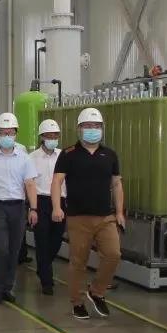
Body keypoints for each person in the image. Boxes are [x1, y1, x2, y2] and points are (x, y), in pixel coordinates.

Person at [51, 108, 125, 321]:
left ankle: (97, 292)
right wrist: (57, 207)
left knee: (113, 254)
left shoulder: (109, 155)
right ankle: (77, 302)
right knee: (78, 262)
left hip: (105, 217)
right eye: (88, 126)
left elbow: (117, 184)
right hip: (78, 217)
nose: (93, 129)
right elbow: (57, 181)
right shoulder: (68, 154)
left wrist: (120, 212)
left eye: (97, 126)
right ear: (79, 129)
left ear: (102, 129)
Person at [0, 112, 39, 305]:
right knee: (1, 247)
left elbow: (30, 184)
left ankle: (7, 287)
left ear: (16, 133)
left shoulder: (24, 158)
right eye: (3, 132)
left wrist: (34, 208)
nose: (7, 136)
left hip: (18, 207)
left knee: (14, 249)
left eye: (10, 132)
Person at [29, 119, 66, 295]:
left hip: (60, 201)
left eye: (55, 136)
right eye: (49, 136)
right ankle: (47, 281)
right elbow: (28, 183)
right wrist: (31, 208)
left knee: (56, 240)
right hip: (40, 201)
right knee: (42, 240)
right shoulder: (32, 158)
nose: (53, 138)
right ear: (42, 137)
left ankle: (42, 266)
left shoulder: (63, 155)